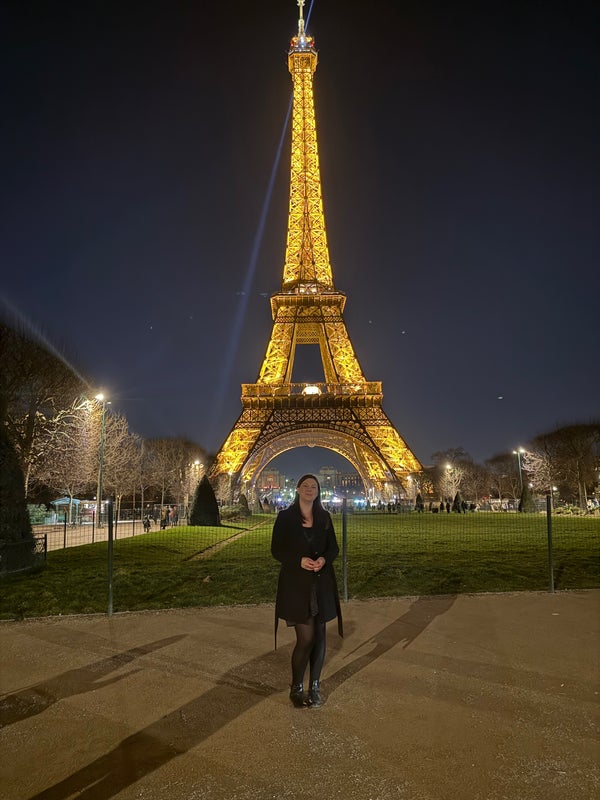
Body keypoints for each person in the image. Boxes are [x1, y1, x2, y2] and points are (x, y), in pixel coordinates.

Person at [271, 474, 343, 708]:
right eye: (305, 486)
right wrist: (298, 561)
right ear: (298, 489)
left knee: (320, 637)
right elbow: (276, 549)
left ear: (318, 491)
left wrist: (324, 559)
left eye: (314, 486)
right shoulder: (285, 517)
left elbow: (333, 548)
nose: (310, 489)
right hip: (296, 585)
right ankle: (296, 687)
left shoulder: (324, 517)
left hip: (320, 584)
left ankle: (315, 686)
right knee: (307, 638)